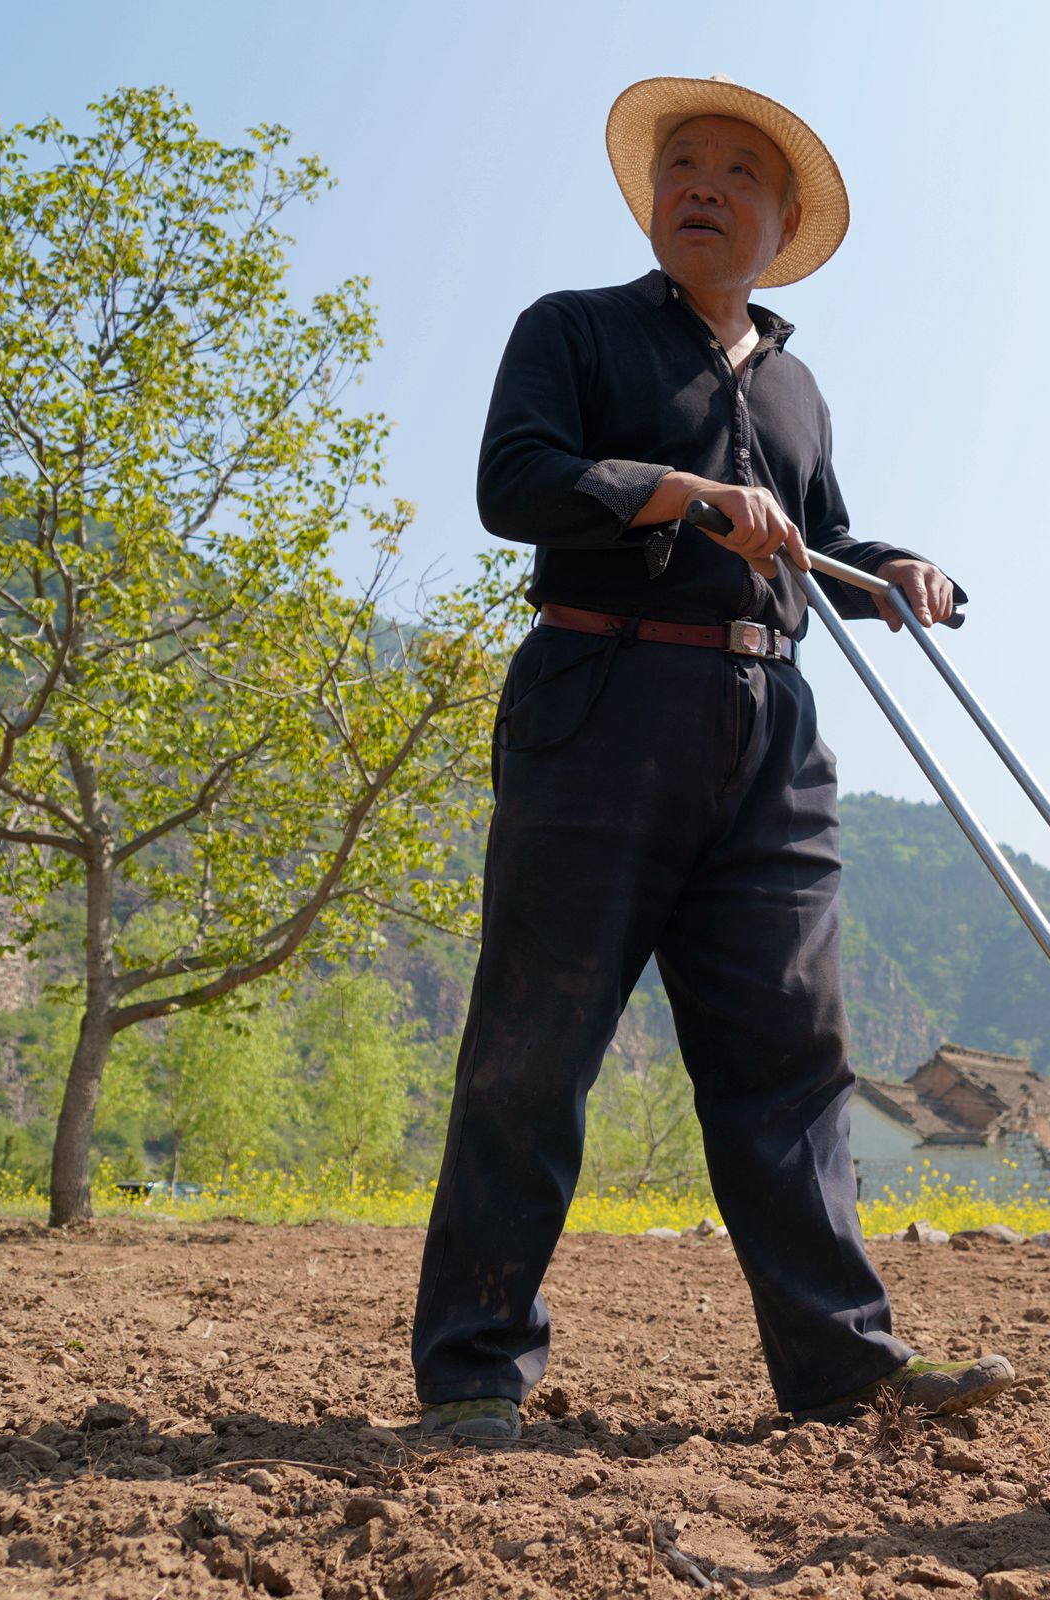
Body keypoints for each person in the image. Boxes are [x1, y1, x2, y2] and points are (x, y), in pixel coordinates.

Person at [412, 75, 1013, 1442]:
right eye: (680, 163)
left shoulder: (796, 389)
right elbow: (517, 483)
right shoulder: (569, 332)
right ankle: (473, 1370)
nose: (701, 183)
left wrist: (895, 567)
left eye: (736, 172)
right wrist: (681, 496)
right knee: (535, 1041)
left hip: (771, 736)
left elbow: (822, 538)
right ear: (651, 198)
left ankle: (842, 1364)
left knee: (791, 1059)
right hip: (602, 697)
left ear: (779, 222)